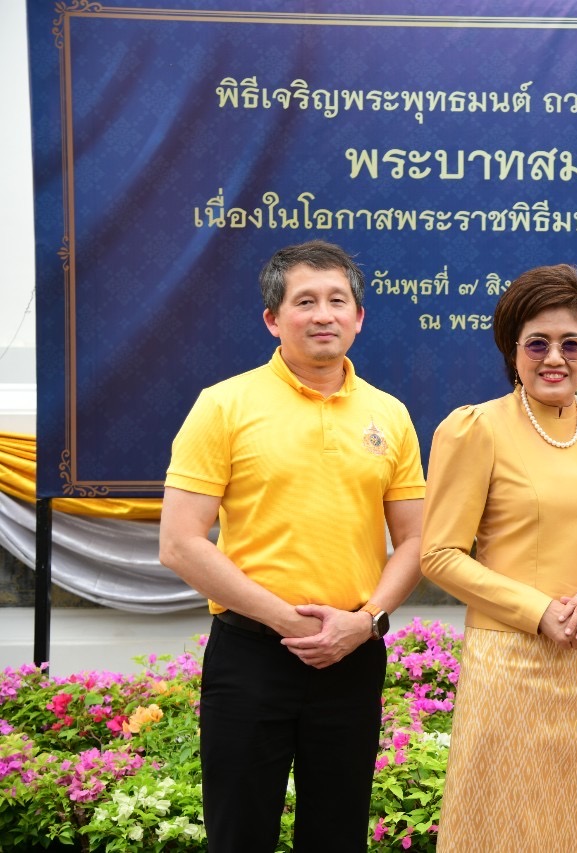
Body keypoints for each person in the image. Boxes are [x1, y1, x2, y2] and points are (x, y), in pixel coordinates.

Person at [158, 240, 425, 852]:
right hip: (253, 654)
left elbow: (415, 540)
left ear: (359, 316)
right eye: (305, 301)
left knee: (337, 833)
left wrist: (366, 622)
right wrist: (288, 622)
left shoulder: (391, 414)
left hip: (352, 655)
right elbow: (179, 543)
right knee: (239, 831)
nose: (324, 314)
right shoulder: (223, 405)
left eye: (338, 300)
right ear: (273, 320)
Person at [419, 264, 577, 851]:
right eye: (538, 344)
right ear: (513, 350)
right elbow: (441, 554)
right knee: (500, 823)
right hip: (509, 661)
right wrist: (536, 610)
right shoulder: (474, 429)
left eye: (571, 344)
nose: (555, 358)